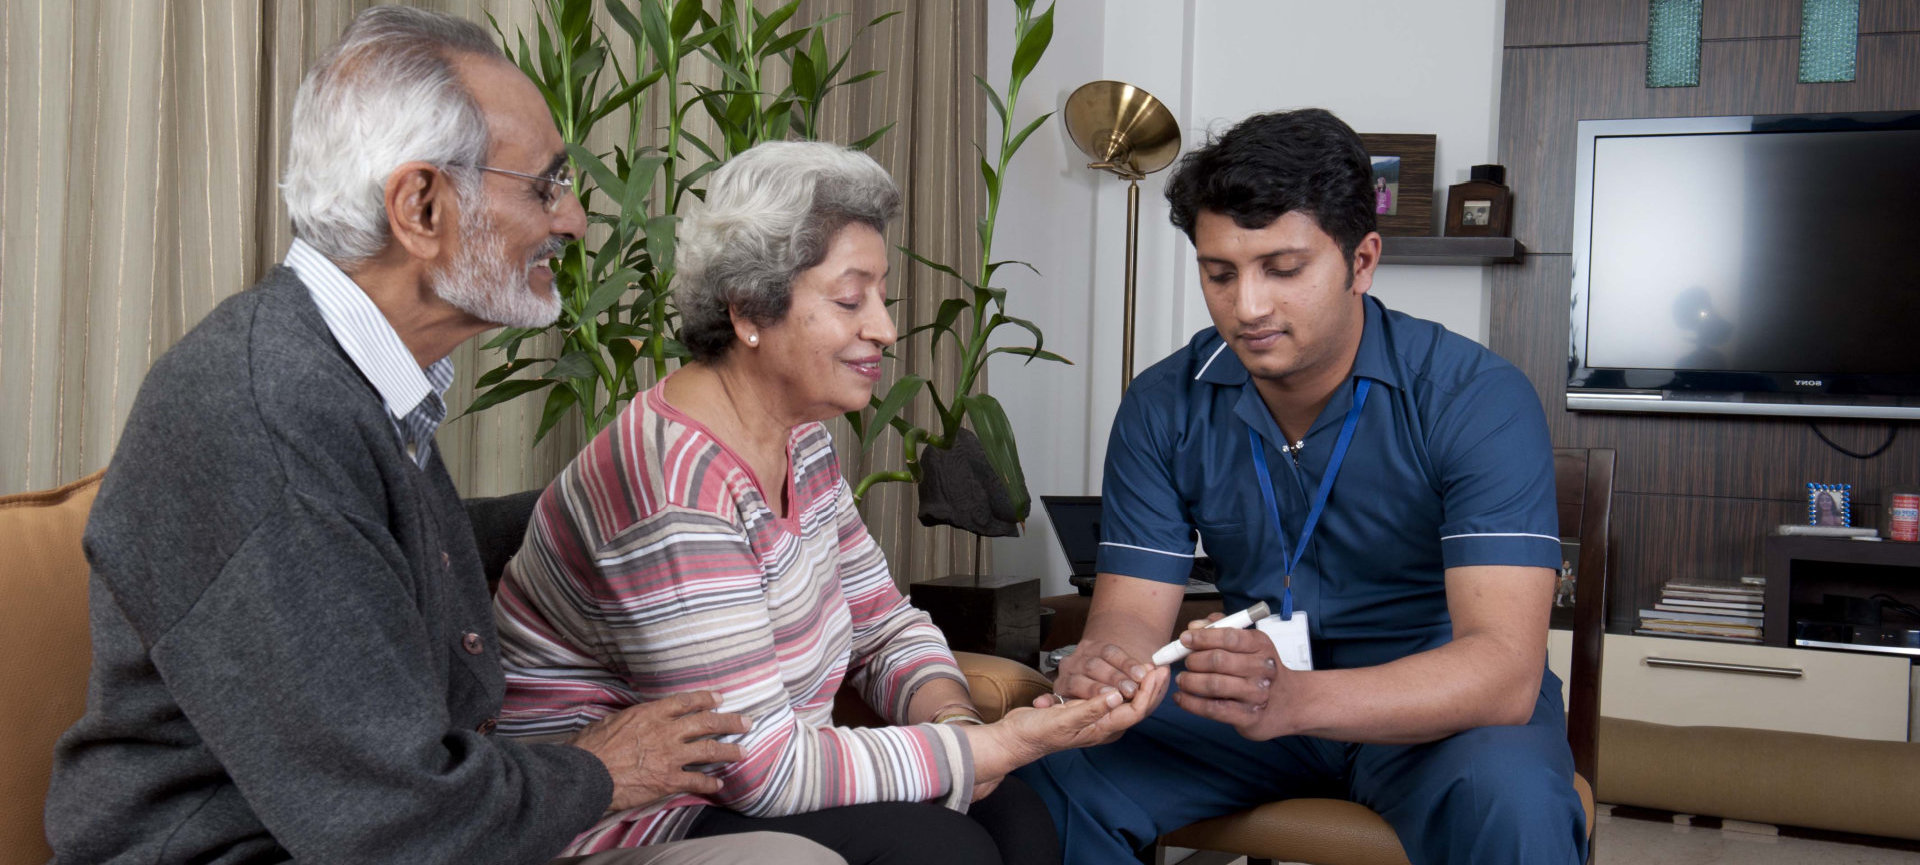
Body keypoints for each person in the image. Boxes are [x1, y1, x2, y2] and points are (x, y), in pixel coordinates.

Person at [44, 8, 840, 865]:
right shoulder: (266, 417)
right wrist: (602, 768)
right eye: (544, 185)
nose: (573, 219)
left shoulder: (341, 375)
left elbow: (373, 559)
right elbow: (392, 822)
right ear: (422, 206)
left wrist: (637, 497)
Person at [491, 140, 1163, 865]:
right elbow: (757, 767)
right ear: (750, 307)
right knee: (938, 849)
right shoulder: (673, 485)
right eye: (850, 299)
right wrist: (983, 746)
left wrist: (959, 722)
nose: (883, 327)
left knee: (1019, 816)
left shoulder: (800, 440)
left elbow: (882, 626)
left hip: (753, 781)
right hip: (637, 810)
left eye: (880, 296)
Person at [1011, 108, 1588, 865]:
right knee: (1041, 776)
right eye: (1220, 273)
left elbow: (1505, 673)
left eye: (1283, 269)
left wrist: (1297, 700)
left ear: (1362, 260)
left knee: (1514, 806)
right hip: (1248, 705)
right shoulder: (1164, 402)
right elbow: (1128, 616)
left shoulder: (1474, 396)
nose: (1247, 307)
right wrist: (1109, 660)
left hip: (1438, 712)